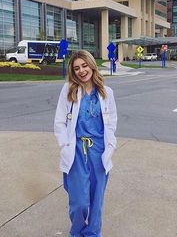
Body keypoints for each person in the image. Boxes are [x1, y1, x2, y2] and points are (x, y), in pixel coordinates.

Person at [54, 50, 117, 237]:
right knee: (80, 201)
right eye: (76, 68)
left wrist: (111, 145)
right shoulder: (68, 90)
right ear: (73, 72)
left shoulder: (107, 93)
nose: (82, 71)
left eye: (84, 65)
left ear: (91, 65)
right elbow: (59, 122)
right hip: (76, 151)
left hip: (99, 152)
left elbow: (112, 122)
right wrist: (64, 145)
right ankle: (77, 232)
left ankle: (92, 234)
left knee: (96, 200)